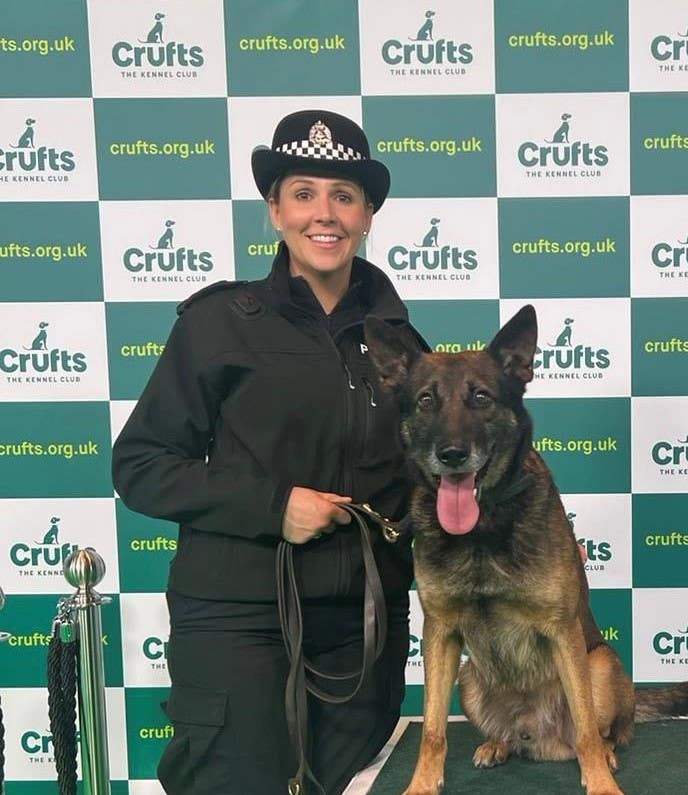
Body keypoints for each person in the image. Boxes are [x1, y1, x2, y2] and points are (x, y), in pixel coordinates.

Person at [112, 109, 423, 795]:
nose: (326, 212)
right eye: (304, 191)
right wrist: (273, 505)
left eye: (344, 195)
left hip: (362, 630)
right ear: (274, 208)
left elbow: (427, 486)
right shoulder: (218, 323)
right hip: (237, 622)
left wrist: (531, 540)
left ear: (369, 213)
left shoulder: (406, 346)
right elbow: (140, 465)